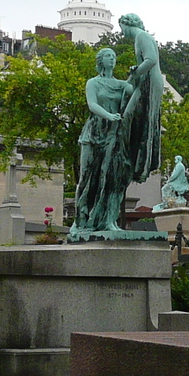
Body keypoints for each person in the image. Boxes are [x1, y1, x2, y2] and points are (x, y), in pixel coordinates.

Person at [70, 47, 135, 238]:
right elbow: (92, 104)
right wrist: (109, 116)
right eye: (108, 56)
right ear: (100, 60)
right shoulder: (93, 83)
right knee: (87, 176)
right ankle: (80, 220)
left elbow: (134, 90)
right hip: (94, 132)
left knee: (110, 177)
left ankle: (108, 220)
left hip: (113, 135)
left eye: (114, 57)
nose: (112, 59)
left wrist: (135, 73)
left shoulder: (121, 84)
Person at [117, 14, 162, 183]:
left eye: (122, 27)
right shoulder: (140, 38)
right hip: (145, 80)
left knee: (137, 118)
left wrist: (135, 72)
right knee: (133, 117)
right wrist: (129, 80)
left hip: (150, 81)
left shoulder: (142, 36)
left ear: (128, 24)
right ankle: (134, 159)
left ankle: (139, 163)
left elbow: (150, 60)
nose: (122, 33)